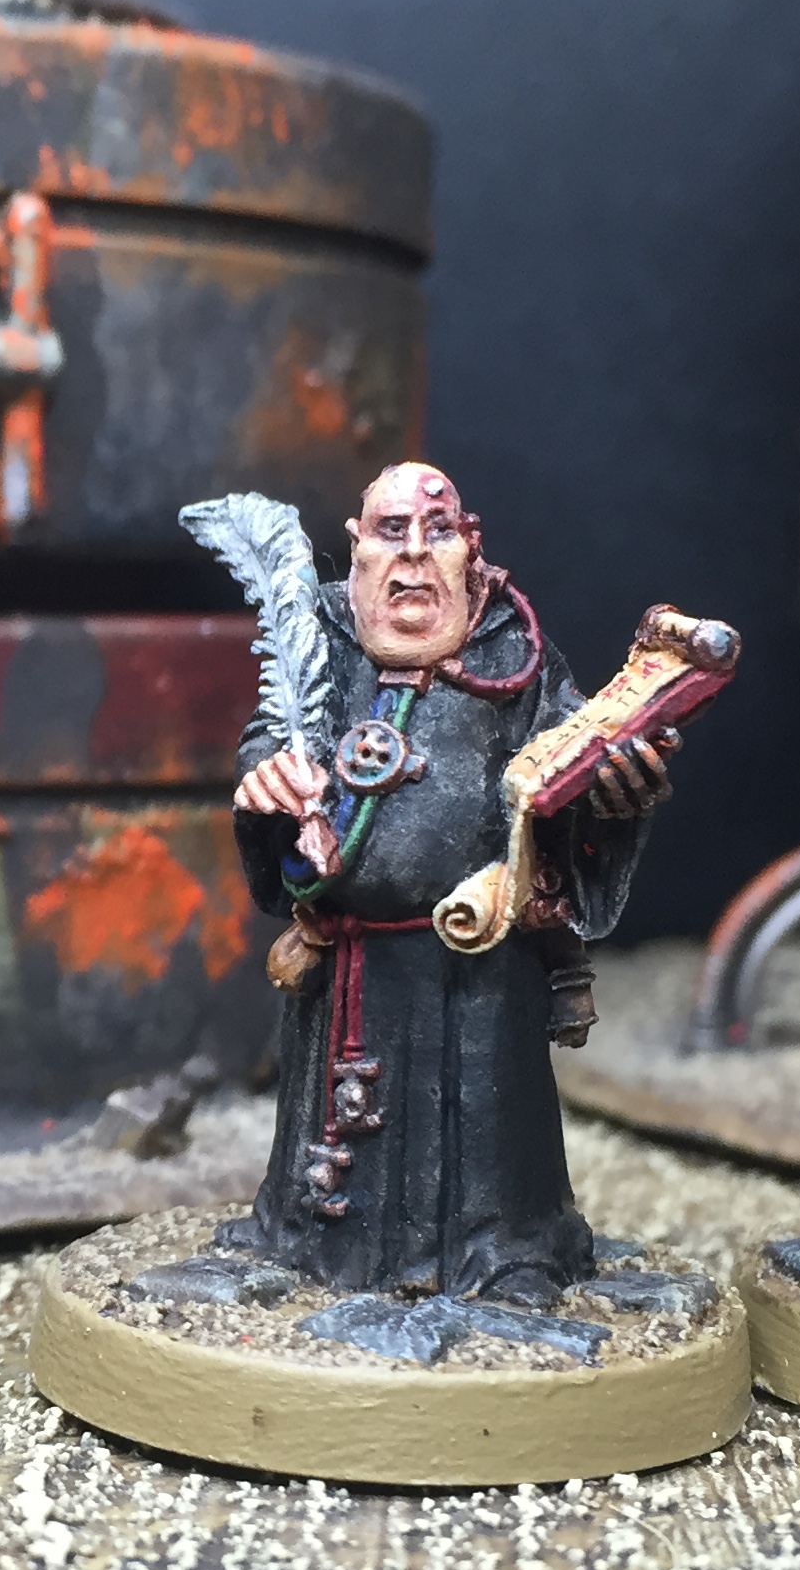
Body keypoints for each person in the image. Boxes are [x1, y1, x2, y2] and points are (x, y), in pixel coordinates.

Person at [220, 462, 675, 1302]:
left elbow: (572, 762)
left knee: (490, 1133)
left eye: (437, 532)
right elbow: (271, 734)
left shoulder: (514, 650)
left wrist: (614, 794)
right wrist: (271, 782)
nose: (414, 554)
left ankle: (505, 1257)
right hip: (350, 963)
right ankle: (316, 1251)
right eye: (391, 531)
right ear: (357, 545)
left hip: (479, 966)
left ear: (469, 546)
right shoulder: (318, 635)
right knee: (334, 1155)